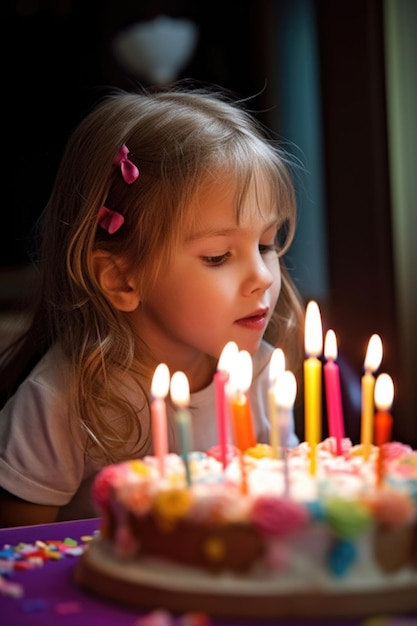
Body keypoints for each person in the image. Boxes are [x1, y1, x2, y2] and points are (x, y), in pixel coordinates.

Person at [0, 84, 305, 527]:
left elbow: (285, 505)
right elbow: (19, 559)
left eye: (266, 244)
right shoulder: (64, 400)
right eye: (218, 256)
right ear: (122, 279)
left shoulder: (261, 373)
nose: (262, 275)